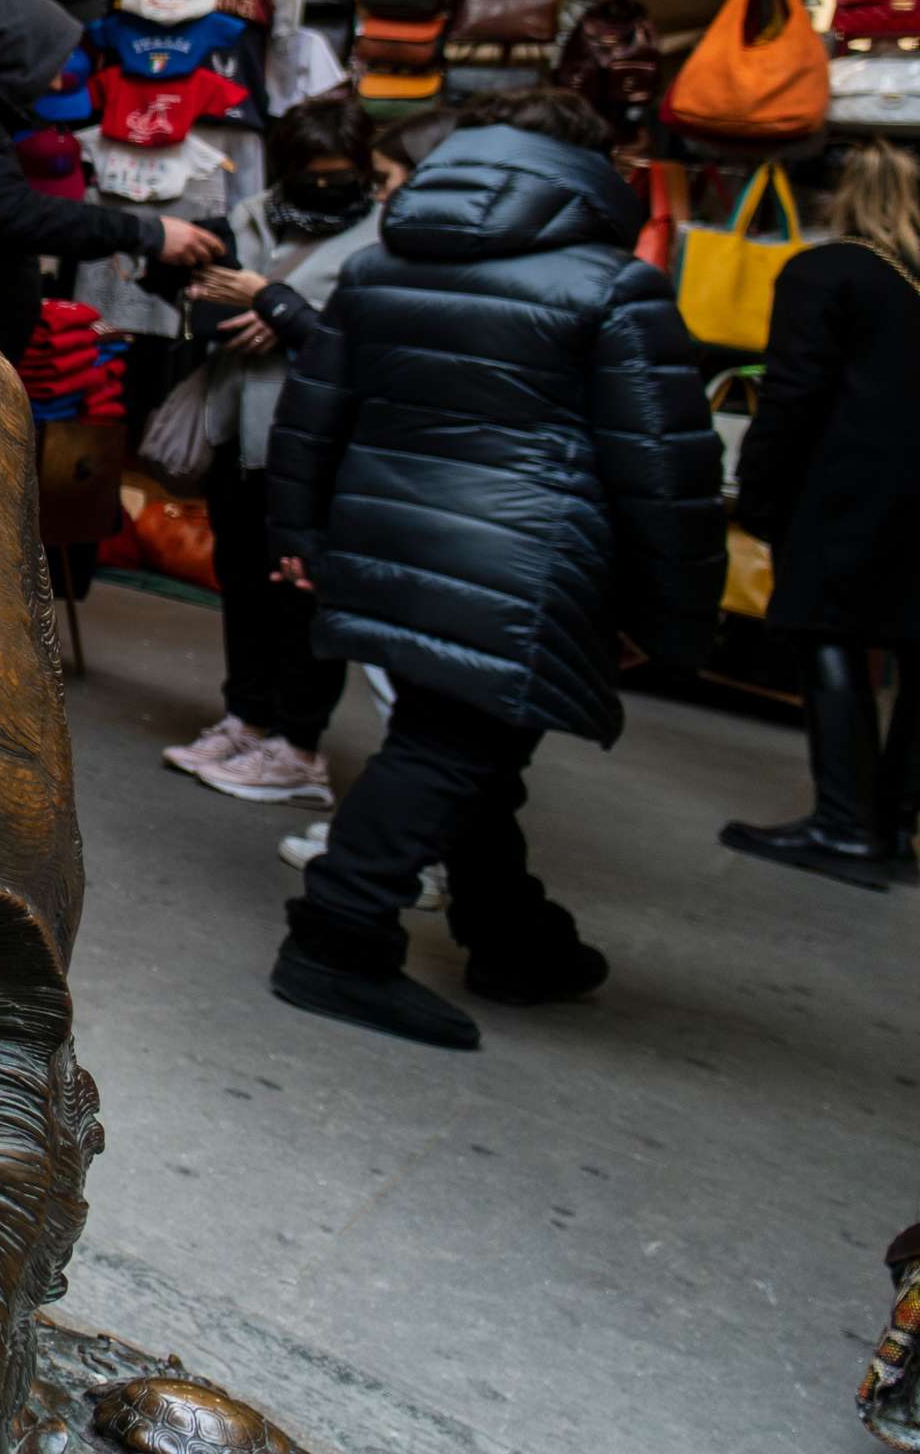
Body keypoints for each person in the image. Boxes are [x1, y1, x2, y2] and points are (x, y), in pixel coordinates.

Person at [264, 88, 723, 1047]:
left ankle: (515, 932)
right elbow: (665, 470)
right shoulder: (611, 286)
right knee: (450, 744)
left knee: (472, 746)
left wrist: (303, 537)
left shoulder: (384, 266)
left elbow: (313, 412)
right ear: (588, 172)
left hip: (395, 543)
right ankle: (337, 936)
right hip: (528, 567)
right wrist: (674, 623)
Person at [160, 96, 383, 807]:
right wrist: (221, 310)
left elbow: (369, 355)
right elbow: (202, 295)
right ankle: (247, 719)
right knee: (244, 583)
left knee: (302, 598)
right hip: (241, 429)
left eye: (339, 174)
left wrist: (279, 310)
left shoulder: (384, 243)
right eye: (311, 174)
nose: (325, 188)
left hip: (317, 448)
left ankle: (300, 746)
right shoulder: (252, 215)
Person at [722, 138, 920, 885]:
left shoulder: (826, 272)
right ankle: (894, 821)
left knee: (827, 631)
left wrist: (760, 491)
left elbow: (793, 393)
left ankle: (843, 823)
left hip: (847, 488)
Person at [0, 0, 223, 356]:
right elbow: (11, 212)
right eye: (51, 66)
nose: (55, 82)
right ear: (20, 56)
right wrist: (147, 233)